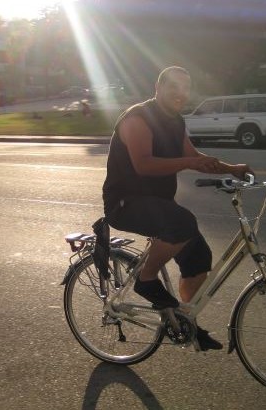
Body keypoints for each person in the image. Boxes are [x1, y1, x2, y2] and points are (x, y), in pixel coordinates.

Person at [102, 66, 253, 350]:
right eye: (173, 86)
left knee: (198, 260)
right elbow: (143, 164)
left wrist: (231, 169)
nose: (180, 93)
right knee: (182, 222)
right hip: (125, 203)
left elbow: (193, 157)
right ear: (157, 88)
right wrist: (187, 163)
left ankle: (183, 320)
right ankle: (146, 280)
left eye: (186, 87)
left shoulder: (175, 121)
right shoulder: (137, 119)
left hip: (158, 203)